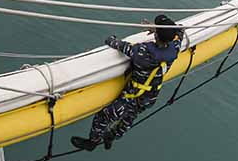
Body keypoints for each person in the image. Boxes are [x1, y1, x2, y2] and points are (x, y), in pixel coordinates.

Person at [71, 16, 181, 151]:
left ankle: (92, 142)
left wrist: (111, 38)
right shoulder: (175, 48)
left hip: (132, 97)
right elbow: (179, 32)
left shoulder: (142, 52)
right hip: (150, 97)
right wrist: (159, 30)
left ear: (156, 35)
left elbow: (117, 44)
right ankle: (112, 136)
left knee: (103, 117)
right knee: (129, 117)